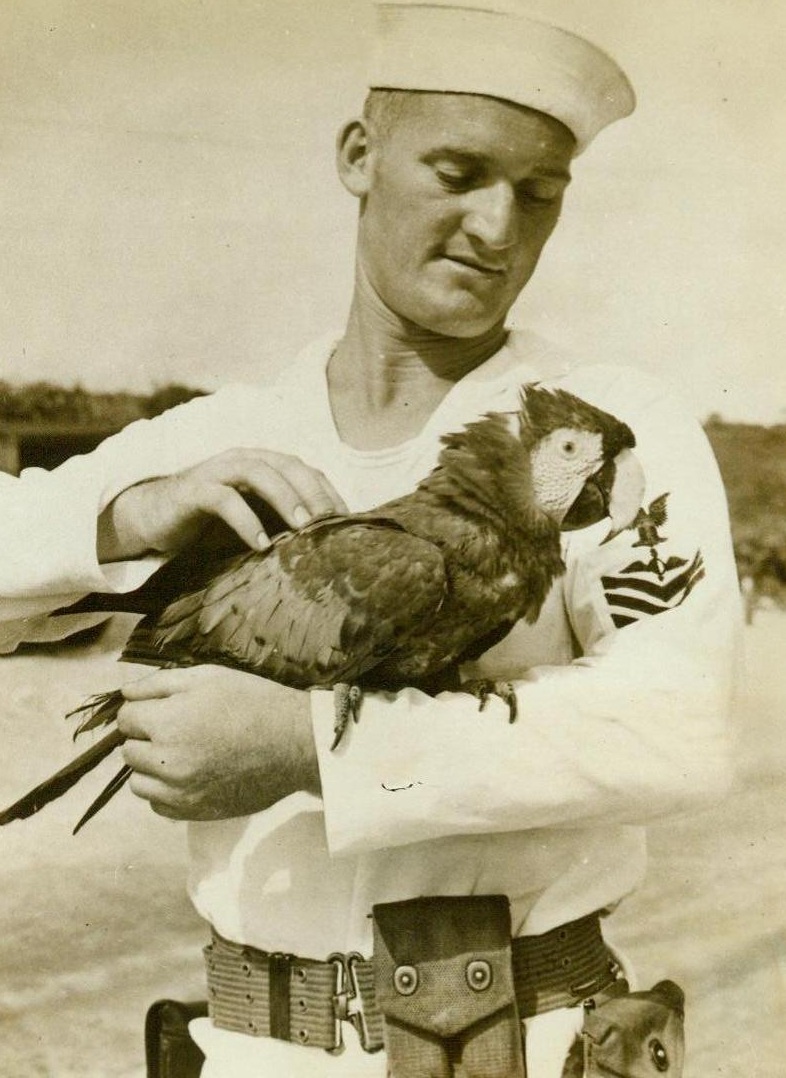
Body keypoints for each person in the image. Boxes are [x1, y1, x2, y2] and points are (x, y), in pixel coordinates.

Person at [0, 3, 740, 1075]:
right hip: (253, 1048)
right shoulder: (223, 436)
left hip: (528, 1044)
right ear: (359, 155)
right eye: (459, 172)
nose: (498, 228)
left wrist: (314, 748)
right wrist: (130, 513)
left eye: (539, 193)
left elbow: (676, 726)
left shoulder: (604, 428)